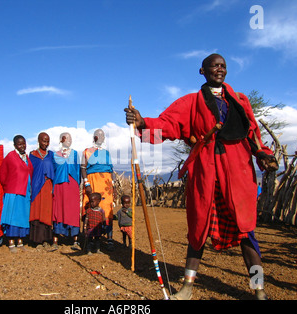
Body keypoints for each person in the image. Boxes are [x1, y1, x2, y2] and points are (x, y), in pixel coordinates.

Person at [125, 53, 279, 300]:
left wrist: (263, 154)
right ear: (203, 71)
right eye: (214, 66)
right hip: (205, 173)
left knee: (246, 230)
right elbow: (168, 125)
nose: (220, 69)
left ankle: (259, 289)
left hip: (238, 173)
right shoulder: (191, 103)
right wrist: (142, 122)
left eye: (223, 66)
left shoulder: (240, 100)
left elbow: (253, 133)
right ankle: (186, 289)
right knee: (198, 230)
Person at [81, 129, 116, 251]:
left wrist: (114, 186)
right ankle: (90, 238)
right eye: (99, 136)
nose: (101, 138)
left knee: (107, 209)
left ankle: (109, 239)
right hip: (93, 181)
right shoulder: (86, 151)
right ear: (94, 137)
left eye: (103, 136)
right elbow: (83, 168)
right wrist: (86, 183)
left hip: (106, 185)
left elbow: (111, 170)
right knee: (92, 208)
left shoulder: (107, 153)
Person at [0, 135, 34, 253]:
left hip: (24, 192)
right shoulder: (10, 157)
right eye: (19, 144)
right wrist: (9, 186)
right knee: (12, 218)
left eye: (24, 143)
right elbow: (2, 174)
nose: (22, 146)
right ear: (14, 145)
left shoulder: (26, 157)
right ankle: (11, 242)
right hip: (13, 192)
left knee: (22, 217)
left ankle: (20, 242)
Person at [51, 132, 81, 251]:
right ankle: (55, 240)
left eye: (70, 138)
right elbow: (53, 171)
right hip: (59, 186)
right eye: (65, 138)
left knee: (72, 211)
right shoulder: (55, 155)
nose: (68, 140)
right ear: (60, 140)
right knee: (58, 210)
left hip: (72, 185)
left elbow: (78, 170)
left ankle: (75, 240)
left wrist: (78, 186)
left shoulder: (75, 154)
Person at [29, 132, 55, 250]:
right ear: (38, 141)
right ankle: (37, 240)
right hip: (36, 187)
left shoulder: (51, 155)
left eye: (48, 141)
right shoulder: (32, 155)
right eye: (44, 141)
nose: (46, 143)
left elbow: (54, 170)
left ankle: (46, 239)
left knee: (46, 211)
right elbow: (29, 172)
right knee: (36, 211)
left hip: (48, 186)